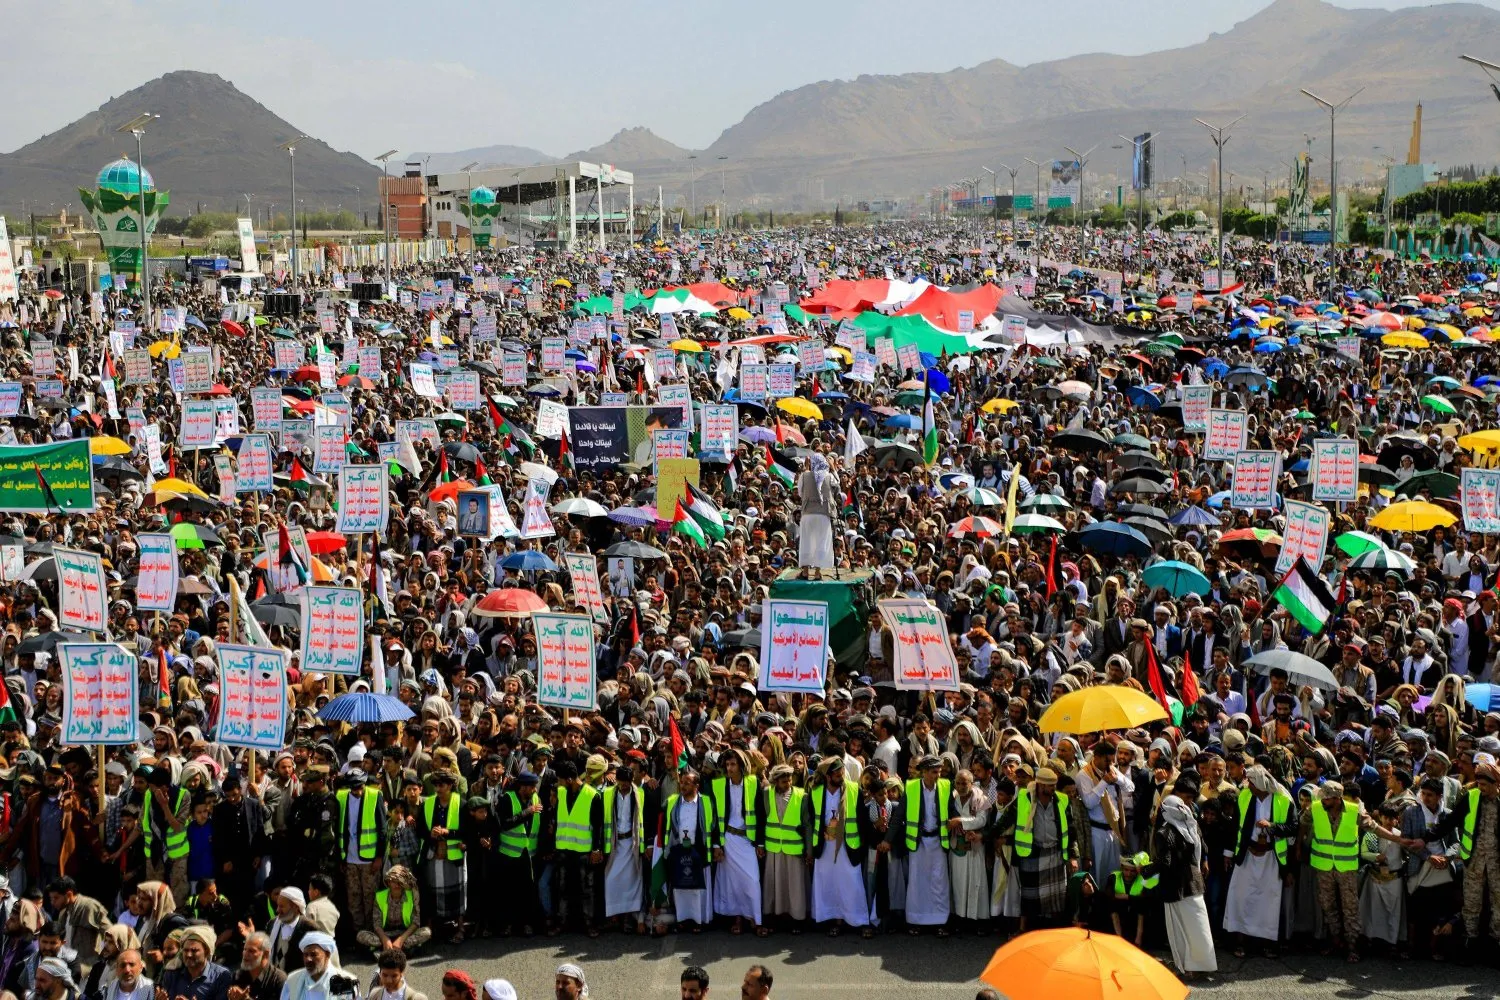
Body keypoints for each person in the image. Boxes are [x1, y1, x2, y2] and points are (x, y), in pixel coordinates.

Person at [1223, 764, 1298, 958]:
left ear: (1261, 783)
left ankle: (1268, 945)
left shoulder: (1283, 799)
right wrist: (1228, 853)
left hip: (1271, 859)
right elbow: (1234, 827)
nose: (1248, 785)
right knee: (1240, 898)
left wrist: (1271, 826)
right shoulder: (1244, 796)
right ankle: (1240, 942)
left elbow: (1293, 828)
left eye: (1251, 782)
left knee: (1269, 902)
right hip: (1247, 856)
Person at [993, 767, 1078, 931]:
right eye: (1049, 786)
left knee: (1056, 899)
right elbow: (1005, 820)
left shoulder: (1061, 800)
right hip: (1032, 853)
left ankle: (1054, 932)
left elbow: (1071, 829)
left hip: (1054, 853)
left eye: (1054, 785)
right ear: (1040, 785)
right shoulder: (1024, 799)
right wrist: (987, 837)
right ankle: (1024, 931)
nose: (1053, 789)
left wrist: (1073, 856)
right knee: (1028, 897)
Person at [1152, 772, 1216, 979]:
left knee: (1189, 926)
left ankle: (1194, 966)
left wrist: (1146, 869)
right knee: (1191, 926)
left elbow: (1198, 843)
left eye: (1190, 799)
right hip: (1185, 883)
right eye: (1186, 799)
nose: (1188, 803)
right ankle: (1195, 966)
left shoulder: (1179, 825)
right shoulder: (1180, 826)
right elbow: (1198, 847)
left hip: (1183, 883)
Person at [889, 756, 952, 936]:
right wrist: (887, 840)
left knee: (939, 882)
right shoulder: (912, 788)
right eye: (934, 772)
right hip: (919, 842)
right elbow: (898, 816)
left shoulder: (946, 786)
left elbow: (953, 811)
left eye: (939, 771)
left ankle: (940, 921)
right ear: (924, 772)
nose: (938, 775)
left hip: (938, 842)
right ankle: (915, 921)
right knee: (917, 882)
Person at [811, 757, 868, 936]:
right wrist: (822, 833)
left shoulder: (853, 789)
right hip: (825, 846)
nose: (840, 774)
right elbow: (812, 819)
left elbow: (862, 819)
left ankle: (857, 921)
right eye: (836, 772)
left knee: (851, 883)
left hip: (848, 845)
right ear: (827, 775)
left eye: (841, 771)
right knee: (828, 883)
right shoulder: (816, 792)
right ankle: (834, 920)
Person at [709, 749, 761, 935]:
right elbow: (714, 819)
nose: (729, 768)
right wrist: (716, 845)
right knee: (732, 883)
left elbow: (761, 814)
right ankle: (737, 918)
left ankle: (755, 917)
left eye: (733, 764)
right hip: (728, 840)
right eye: (727, 765)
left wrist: (760, 843)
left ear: (741, 765)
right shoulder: (718, 786)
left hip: (748, 841)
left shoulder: (754, 783)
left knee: (752, 880)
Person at [549, 760, 603, 937]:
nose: (559, 783)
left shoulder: (592, 795)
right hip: (563, 850)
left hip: (583, 851)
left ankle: (589, 924)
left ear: (571, 779)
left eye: (561, 780)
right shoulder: (561, 793)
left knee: (587, 889)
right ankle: (562, 923)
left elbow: (598, 826)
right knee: (562, 888)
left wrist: (596, 849)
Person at [659, 769, 715, 933]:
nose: (682, 786)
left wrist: (716, 846)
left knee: (698, 888)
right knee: (681, 887)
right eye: (681, 782)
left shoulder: (706, 802)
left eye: (687, 783)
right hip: (679, 851)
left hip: (699, 851)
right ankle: (683, 920)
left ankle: (698, 921)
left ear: (697, 785)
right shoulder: (672, 802)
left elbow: (714, 826)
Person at [335, 772, 386, 945]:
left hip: (369, 860)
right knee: (354, 900)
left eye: (360, 786)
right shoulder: (341, 797)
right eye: (354, 787)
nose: (357, 790)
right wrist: (341, 858)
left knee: (370, 899)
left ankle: (372, 937)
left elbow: (382, 830)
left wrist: (379, 857)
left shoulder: (375, 796)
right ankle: (359, 937)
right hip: (349, 859)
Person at [492, 773, 544, 935]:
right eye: (531, 787)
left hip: (529, 854)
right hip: (509, 854)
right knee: (509, 891)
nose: (534, 790)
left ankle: (527, 924)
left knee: (528, 890)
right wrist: (527, 812)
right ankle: (508, 924)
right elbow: (504, 824)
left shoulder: (536, 799)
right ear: (523, 787)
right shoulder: (507, 799)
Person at [601, 757, 648, 932]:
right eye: (620, 784)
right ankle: (614, 917)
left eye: (626, 784)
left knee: (631, 882)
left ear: (631, 781)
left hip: (632, 843)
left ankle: (628, 918)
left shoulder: (640, 794)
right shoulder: (607, 794)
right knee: (611, 880)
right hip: (614, 843)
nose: (623, 787)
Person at [355, 866, 429, 957]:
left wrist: (401, 940)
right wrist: (385, 939)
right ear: (388, 882)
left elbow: (416, 923)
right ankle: (399, 950)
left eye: (400, 882)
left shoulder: (412, 895)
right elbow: (377, 924)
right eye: (393, 881)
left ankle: (388, 951)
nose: (397, 885)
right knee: (361, 935)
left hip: (405, 934)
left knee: (426, 932)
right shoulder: (380, 897)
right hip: (386, 933)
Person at [157, 925, 231, 1000]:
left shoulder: (220, 976)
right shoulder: (172, 974)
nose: (189, 955)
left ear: (206, 951)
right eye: (186, 950)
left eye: (194, 951)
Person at [277, 935, 357, 1000]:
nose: (308, 959)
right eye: (305, 955)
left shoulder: (347, 982)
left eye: (313, 954)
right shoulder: (292, 980)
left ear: (327, 955)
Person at [228, 933, 285, 1000]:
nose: (245, 954)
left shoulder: (278, 980)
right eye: (245, 949)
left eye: (251, 951)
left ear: (265, 954)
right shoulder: (237, 976)